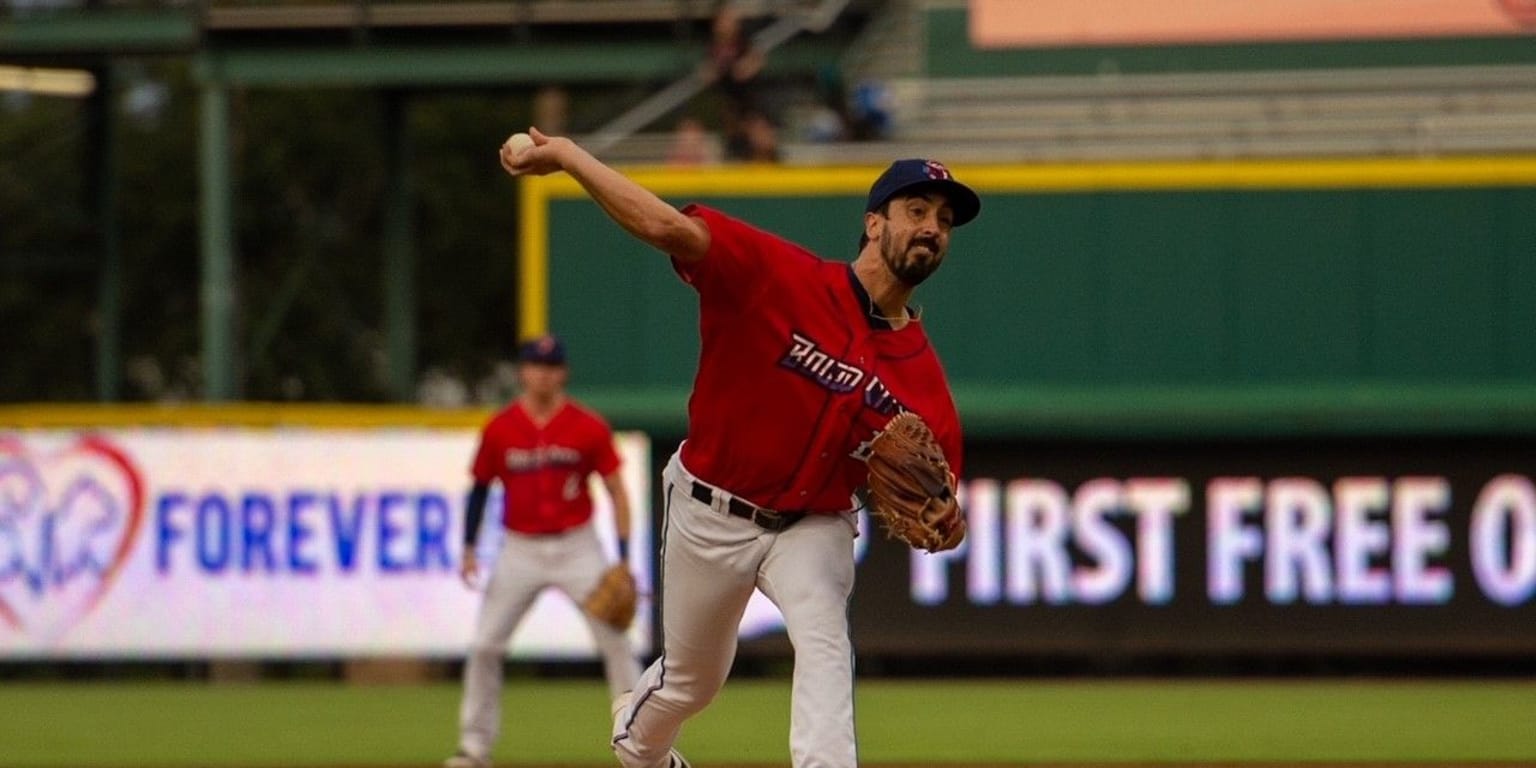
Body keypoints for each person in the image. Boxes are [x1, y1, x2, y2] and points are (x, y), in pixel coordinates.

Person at [499, 128, 978, 768]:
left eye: (944, 220)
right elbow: (670, 228)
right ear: (873, 223)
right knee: (693, 682)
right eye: (916, 211)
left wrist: (947, 521)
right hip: (709, 509)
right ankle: (639, 748)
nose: (932, 228)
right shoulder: (780, 277)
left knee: (825, 640)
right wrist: (566, 156)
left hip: (816, 523)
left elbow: (944, 499)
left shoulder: (923, 379)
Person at [445, 334, 642, 768]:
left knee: (615, 642)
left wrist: (625, 556)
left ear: (563, 373)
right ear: (523, 371)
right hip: (519, 549)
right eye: (536, 365)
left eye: (552, 366)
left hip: (577, 545)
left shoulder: (587, 426)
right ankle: (474, 749)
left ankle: (639, 745)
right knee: (484, 647)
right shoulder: (501, 428)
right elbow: (479, 488)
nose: (544, 374)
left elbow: (617, 492)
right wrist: (469, 547)